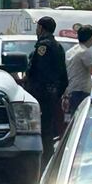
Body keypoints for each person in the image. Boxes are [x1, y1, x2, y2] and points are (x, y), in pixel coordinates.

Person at [24, 16, 69, 162]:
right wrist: (56, 94)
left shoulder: (43, 47)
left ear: (41, 28)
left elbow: (38, 72)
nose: (36, 30)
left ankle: (42, 161)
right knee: (48, 128)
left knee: (40, 130)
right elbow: (63, 76)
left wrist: (36, 92)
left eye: (37, 27)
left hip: (41, 95)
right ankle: (48, 159)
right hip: (51, 95)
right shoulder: (58, 46)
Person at [63, 25, 92, 116]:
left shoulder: (70, 52)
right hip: (81, 92)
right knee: (82, 117)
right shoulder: (85, 52)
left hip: (71, 90)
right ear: (91, 38)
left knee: (75, 118)